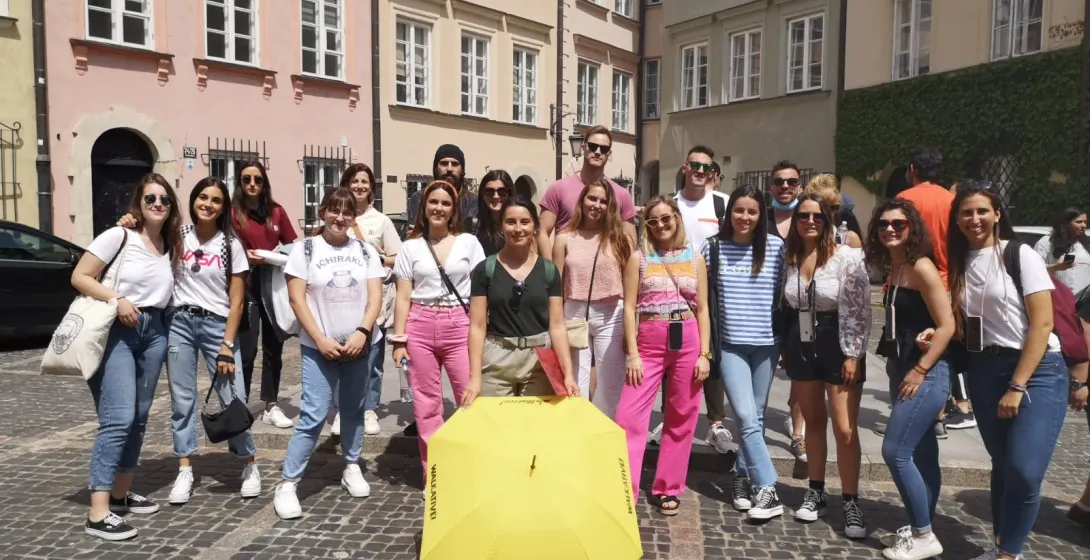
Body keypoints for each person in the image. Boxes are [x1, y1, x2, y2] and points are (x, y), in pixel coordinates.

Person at [946, 185, 1068, 560]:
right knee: (1003, 464)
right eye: (966, 212)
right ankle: (1000, 544)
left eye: (982, 211)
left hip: (1037, 369)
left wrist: (1017, 385)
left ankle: (1008, 554)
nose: (975, 219)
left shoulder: (1020, 254)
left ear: (998, 214)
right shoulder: (956, 261)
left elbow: (1043, 323)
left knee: (1024, 470)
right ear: (957, 219)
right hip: (984, 368)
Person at [74, 174, 182, 540]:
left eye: (164, 200)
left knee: (137, 418)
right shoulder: (119, 236)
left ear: (171, 208)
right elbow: (80, 275)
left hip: (154, 332)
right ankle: (97, 512)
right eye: (150, 198)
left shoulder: (170, 242)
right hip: (116, 329)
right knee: (117, 418)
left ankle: (119, 496)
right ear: (138, 202)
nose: (157, 204)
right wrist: (115, 299)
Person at [273, 187, 384, 520]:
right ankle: (289, 483)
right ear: (322, 212)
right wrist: (319, 338)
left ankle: (351, 465)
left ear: (354, 217)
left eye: (347, 212)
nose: (340, 217)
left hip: (359, 345)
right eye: (334, 210)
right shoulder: (305, 250)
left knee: (353, 410)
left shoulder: (365, 251)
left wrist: (363, 332)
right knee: (313, 414)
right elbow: (297, 299)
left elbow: (375, 297)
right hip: (318, 347)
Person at [866, 200, 955, 560]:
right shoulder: (896, 265)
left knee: (895, 451)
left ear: (912, 227)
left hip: (927, 371)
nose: (889, 229)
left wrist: (920, 369)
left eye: (898, 224)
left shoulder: (921, 266)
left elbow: (948, 324)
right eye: (883, 224)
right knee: (922, 453)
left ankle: (923, 535)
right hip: (903, 367)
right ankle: (923, 525)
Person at [164, 178, 260, 506]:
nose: (208, 204)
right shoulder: (177, 236)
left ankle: (249, 464)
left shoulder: (229, 245)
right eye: (202, 197)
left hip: (217, 325)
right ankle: (185, 468)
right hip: (179, 323)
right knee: (182, 400)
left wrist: (226, 344)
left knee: (233, 396)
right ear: (193, 200)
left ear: (223, 207)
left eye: (216, 200)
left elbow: (236, 301)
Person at [614, 196, 711, 516]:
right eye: (652, 221)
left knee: (681, 417)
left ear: (677, 218)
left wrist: (705, 355)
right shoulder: (639, 258)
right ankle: (622, 486)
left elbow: (704, 310)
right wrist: (632, 354)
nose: (660, 225)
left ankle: (668, 486)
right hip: (650, 342)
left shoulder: (696, 258)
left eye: (665, 218)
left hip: (688, 341)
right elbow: (629, 308)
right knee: (628, 417)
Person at [783, 194, 872, 539]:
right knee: (813, 422)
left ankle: (851, 500)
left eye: (817, 216)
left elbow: (861, 309)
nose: (809, 221)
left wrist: (853, 353)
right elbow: (787, 303)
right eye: (803, 216)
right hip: (802, 341)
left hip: (840, 340)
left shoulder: (847, 256)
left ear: (828, 219)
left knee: (845, 429)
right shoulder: (790, 255)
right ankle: (816, 490)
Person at [390, 180, 485, 474]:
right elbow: (403, 296)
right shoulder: (409, 247)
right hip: (420, 324)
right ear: (424, 207)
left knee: (469, 397)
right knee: (427, 404)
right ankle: (435, 471)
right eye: (433, 202)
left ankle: (472, 466)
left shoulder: (469, 242)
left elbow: (481, 291)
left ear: (453, 209)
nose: (438, 208)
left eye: (445, 203)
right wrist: (399, 340)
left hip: (459, 323)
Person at [703, 185, 786, 520]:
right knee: (746, 417)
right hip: (731, 344)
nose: (745, 217)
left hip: (767, 343)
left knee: (759, 415)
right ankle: (768, 486)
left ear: (761, 214)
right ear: (729, 213)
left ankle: (741, 477)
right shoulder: (714, 248)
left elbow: (784, 293)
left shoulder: (776, 247)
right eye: (739, 210)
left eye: (752, 211)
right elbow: (703, 299)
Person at [464, 199, 578, 403]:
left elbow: (557, 325)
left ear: (535, 226)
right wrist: (474, 377)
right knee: (497, 427)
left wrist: (567, 373)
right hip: (497, 356)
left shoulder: (549, 270)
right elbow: (477, 326)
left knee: (534, 428)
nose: (518, 229)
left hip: (539, 360)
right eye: (510, 222)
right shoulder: (485, 270)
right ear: (501, 226)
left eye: (524, 222)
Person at [670, 146, 733, 454]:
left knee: (711, 352)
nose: (699, 170)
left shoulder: (723, 204)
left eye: (705, 167)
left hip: (713, 287)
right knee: (674, 351)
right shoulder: (670, 205)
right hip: (671, 288)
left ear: (712, 173)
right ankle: (672, 415)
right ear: (685, 167)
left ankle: (716, 421)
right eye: (694, 164)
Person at [552, 179, 632, 416]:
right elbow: (556, 285)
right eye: (592, 198)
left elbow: (630, 284)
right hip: (574, 311)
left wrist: (632, 326)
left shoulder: (620, 238)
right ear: (582, 201)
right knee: (576, 381)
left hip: (612, 314)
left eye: (603, 201)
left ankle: (602, 435)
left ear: (610, 207)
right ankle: (577, 434)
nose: (596, 205)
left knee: (610, 385)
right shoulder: (564, 238)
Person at [232, 160, 299, 429]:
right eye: (246, 179)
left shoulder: (276, 212)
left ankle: (271, 404)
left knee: (274, 347)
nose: (252, 185)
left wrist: (272, 257)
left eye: (257, 180)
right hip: (244, 285)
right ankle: (241, 404)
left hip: (272, 285)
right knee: (246, 351)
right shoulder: (232, 213)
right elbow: (222, 245)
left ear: (264, 183)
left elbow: (292, 247)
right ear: (240, 183)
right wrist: (243, 256)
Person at [338, 163, 403, 437]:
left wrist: (378, 260)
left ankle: (370, 408)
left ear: (371, 188)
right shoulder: (338, 215)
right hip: (342, 297)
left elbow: (399, 258)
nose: (359, 186)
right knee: (342, 355)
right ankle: (344, 409)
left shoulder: (381, 221)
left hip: (376, 296)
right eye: (354, 181)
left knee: (373, 357)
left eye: (365, 182)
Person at [537, 125, 638, 259]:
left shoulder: (621, 194)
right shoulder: (558, 188)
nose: (597, 151)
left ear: (609, 154)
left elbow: (630, 240)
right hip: (567, 272)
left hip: (607, 271)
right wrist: (551, 270)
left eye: (604, 149)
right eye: (592, 146)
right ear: (583, 147)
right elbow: (542, 232)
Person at [768, 160, 808, 463]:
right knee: (765, 371)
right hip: (766, 307)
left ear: (800, 186)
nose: (785, 187)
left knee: (801, 371)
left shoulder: (808, 218)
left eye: (791, 182)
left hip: (802, 309)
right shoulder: (762, 217)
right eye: (779, 182)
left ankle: (798, 433)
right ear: (771, 186)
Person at [1034, 207, 1090, 298]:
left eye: (1085, 222)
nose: (1083, 225)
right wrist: (1055, 267)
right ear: (1066, 224)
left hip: (1084, 304)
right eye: (1079, 222)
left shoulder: (1086, 244)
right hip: (1059, 302)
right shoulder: (1047, 243)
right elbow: (1034, 270)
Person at [803, 173, 862, 248]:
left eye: (833, 208)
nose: (828, 213)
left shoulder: (849, 240)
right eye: (822, 208)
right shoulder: (800, 239)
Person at [475, 169, 517, 256]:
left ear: (510, 194)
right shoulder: (473, 226)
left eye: (502, 192)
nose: (496, 196)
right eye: (489, 192)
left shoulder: (520, 225)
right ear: (483, 195)